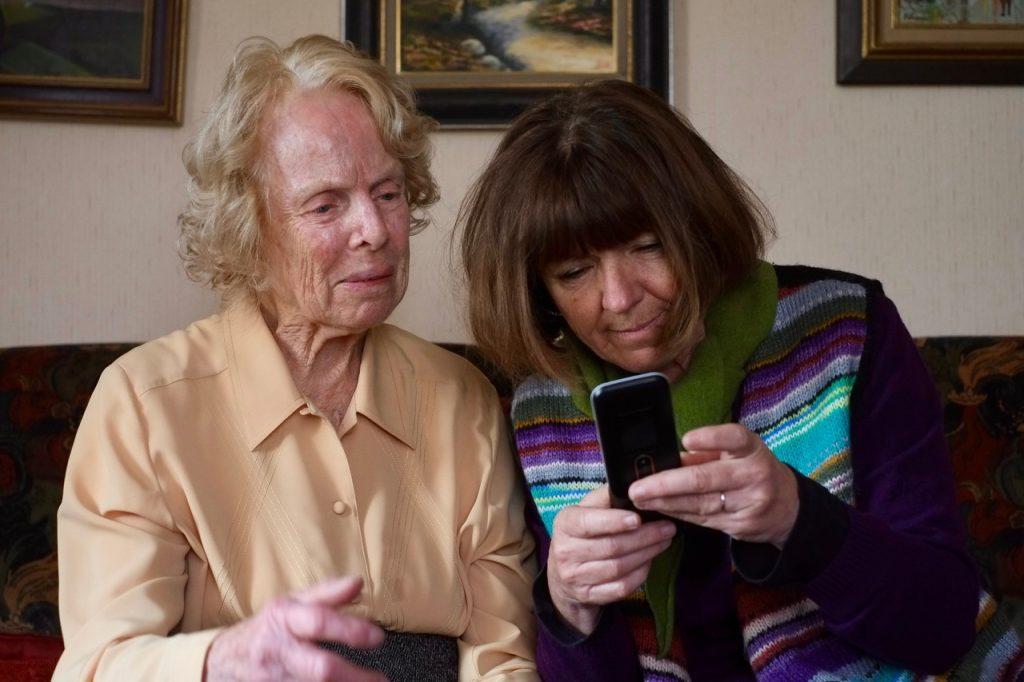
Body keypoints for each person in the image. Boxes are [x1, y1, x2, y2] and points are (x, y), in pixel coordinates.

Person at [456, 79, 1013, 680]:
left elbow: (943, 626)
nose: (618, 298)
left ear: (698, 227)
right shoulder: (546, 407)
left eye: (648, 247)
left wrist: (799, 519)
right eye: (574, 272)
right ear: (539, 292)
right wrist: (570, 603)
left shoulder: (844, 330)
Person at [54, 35, 537, 681]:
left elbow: (502, 655)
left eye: (388, 193)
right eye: (326, 204)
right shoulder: (144, 406)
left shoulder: (462, 397)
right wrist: (220, 660)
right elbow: (95, 667)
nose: (373, 229)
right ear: (249, 227)